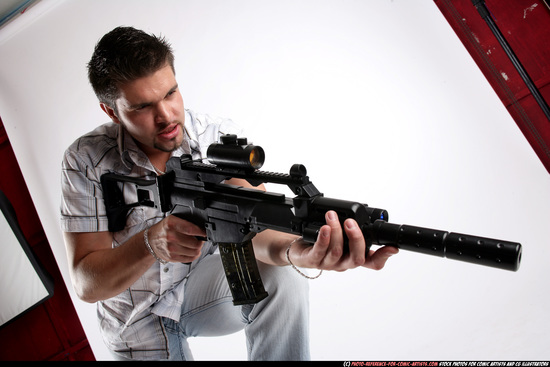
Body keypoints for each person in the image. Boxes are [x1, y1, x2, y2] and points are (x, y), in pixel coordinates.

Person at [60, 26, 398, 361]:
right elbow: (87, 284)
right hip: (134, 319)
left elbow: (258, 225)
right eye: (142, 107)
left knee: (282, 280)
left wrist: (297, 252)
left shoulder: (216, 138)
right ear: (111, 112)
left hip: (204, 287)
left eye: (170, 94)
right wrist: (150, 242)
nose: (165, 116)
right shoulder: (87, 159)